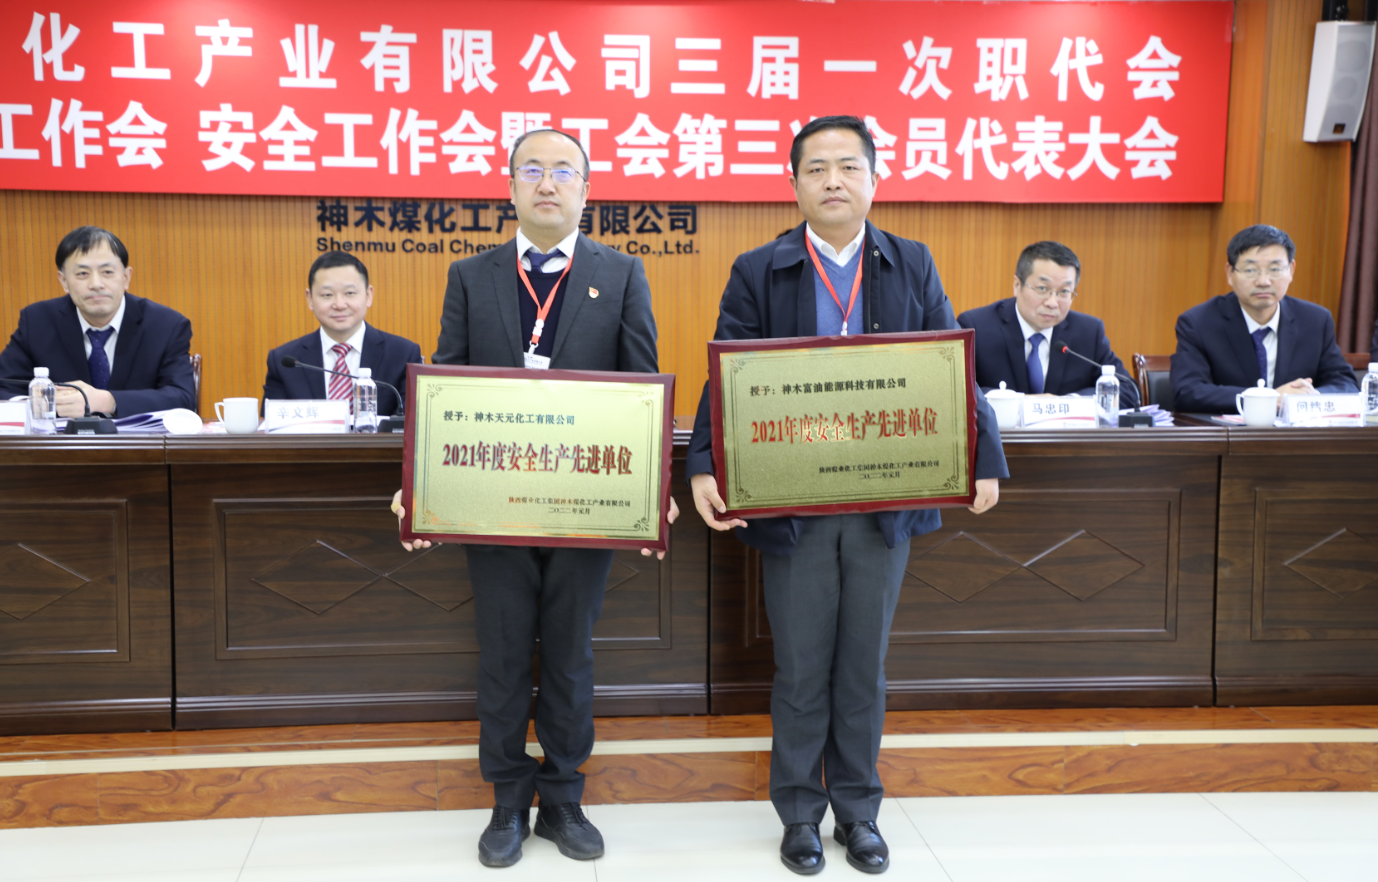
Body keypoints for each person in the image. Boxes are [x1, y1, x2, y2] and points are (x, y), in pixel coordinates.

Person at [686, 116, 1007, 876]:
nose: (833, 180)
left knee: (863, 665)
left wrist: (982, 455)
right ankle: (800, 814)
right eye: (817, 168)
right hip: (793, 501)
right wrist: (703, 464)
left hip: (881, 500)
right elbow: (727, 369)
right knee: (801, 667)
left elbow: (949, 364)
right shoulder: (759, 269)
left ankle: (858, 812)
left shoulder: (911, 261)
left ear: (874, 178)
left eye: (849, 166)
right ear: (794, 183)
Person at [391, 128, 675, 869]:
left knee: (571, 655)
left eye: (563, 172)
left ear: (587, 189)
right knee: (505, 654)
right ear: (511, 186)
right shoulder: (470, 275)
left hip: (586, 505)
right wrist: (420, 485)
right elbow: (447, 383)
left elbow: (640, 385)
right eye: (533, 170)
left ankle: (565, 797)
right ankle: (508, 801)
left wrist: (652, 488)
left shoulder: (622, 273)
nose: (548, 183)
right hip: (493, 502)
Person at [0, 225, 195, 417]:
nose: (96, 284)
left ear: (126, 277)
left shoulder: (166, 326)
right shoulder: (37, 322)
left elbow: (183, 398)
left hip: (138, 439)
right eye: (82, 274)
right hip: (62, 438)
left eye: (107, 272)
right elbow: (4, 387)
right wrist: (40, 404)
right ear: (64, 281)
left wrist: (106, 401)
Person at [1172, 224, 1357, 413]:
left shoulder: (1315, 321)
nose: (1263, 281)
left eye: (1275, 269)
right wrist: (1268, 398)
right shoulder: (1198, 323)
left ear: (1291, 270)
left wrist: (1309, 397)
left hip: (1296, 430)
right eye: (1250, 270)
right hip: (1230, 430)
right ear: (1230, 273)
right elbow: (1187, 391)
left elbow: (1345, 384)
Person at [958, 240, 1137, 407]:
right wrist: (1022, 403)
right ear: (1017, 285)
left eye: (1064, 292)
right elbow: (958, 393)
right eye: (1043, 289)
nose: (1052, 302)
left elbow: (1128, 391)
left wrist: (1066, 403)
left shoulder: (1089, 332)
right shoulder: (976, 327)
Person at [262, 251, 421, 416]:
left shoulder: (403, 355)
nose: (339, 304)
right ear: (310, 299)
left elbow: (410, 423)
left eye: (350, 293)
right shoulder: (285, 361)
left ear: (368, 295)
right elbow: (272, 425)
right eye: (327, 295)